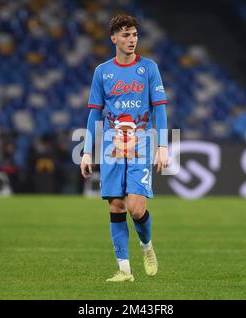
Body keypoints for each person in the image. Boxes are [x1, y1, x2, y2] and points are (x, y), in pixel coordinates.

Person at [80, 14, 169, 282]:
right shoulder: (102, 72)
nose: (132, 40)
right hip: (111, 145)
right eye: (126, 35)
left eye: (135, 35)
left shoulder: (149, 68)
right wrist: (86, 150)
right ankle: (124, 270)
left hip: (141, 143)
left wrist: (163, 145)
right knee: (116, 206)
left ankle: (147, 247)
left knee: (136, 208)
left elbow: (160, 109)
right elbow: (94, 114)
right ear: (114, 38)